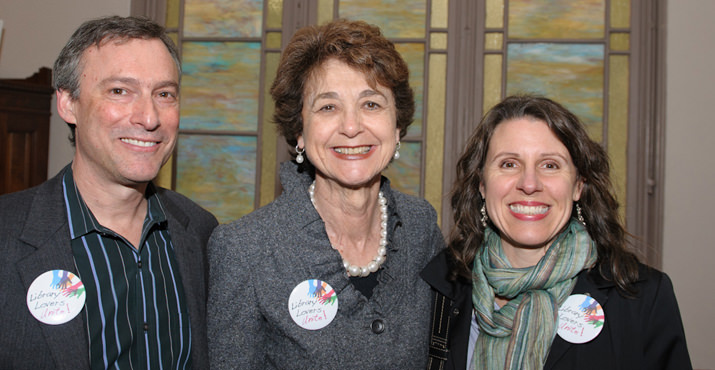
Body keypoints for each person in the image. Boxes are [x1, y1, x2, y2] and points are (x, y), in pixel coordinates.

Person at [207, 19, 444, 369]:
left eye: (371, 104)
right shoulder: (244, 249)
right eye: (328, 107)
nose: (351, 127)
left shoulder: (421, 228)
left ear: (397, 128)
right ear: (299, 131)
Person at [0, 16, 217, 369]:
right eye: (120, 91)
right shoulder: (6, 237)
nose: (149, 118)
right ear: (68, 103)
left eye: (164, 94)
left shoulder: (202, 232)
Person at [421, 95, 692, 369]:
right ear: (482, 185)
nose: (529, 184)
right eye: (509, 164)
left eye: (550, 165)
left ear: (578, 186)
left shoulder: (642, 298)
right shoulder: (437, 288)